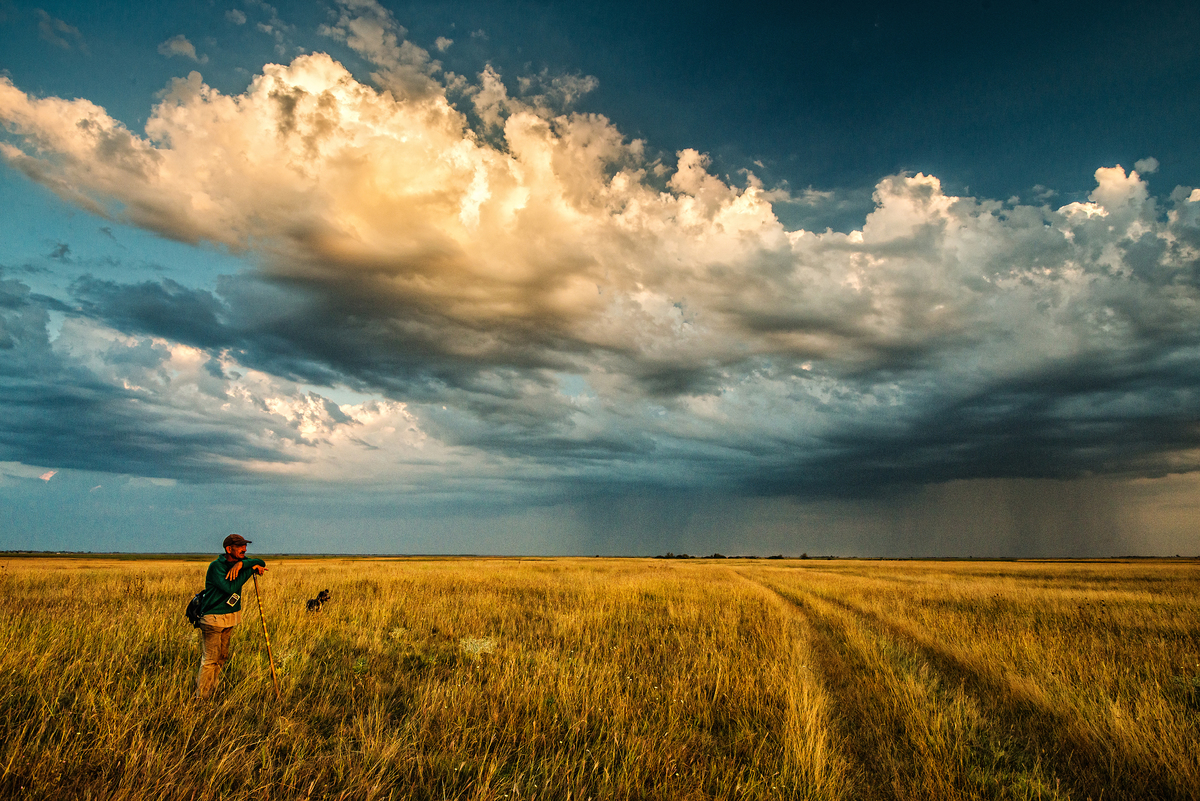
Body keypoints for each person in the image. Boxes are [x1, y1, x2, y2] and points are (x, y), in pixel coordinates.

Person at [195, 533, 268, 700]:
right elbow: (230, 587)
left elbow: (261, 562)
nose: (245, 549)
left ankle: (212, 691)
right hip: (213, 619)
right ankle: (202, 697)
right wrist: (249, 569)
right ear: (229, 549)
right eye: (240, 546)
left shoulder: (238, 562)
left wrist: (242, 564)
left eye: (245, 546)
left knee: (222, 657)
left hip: (230, 617)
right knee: (210, 659)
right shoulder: (216, 567)